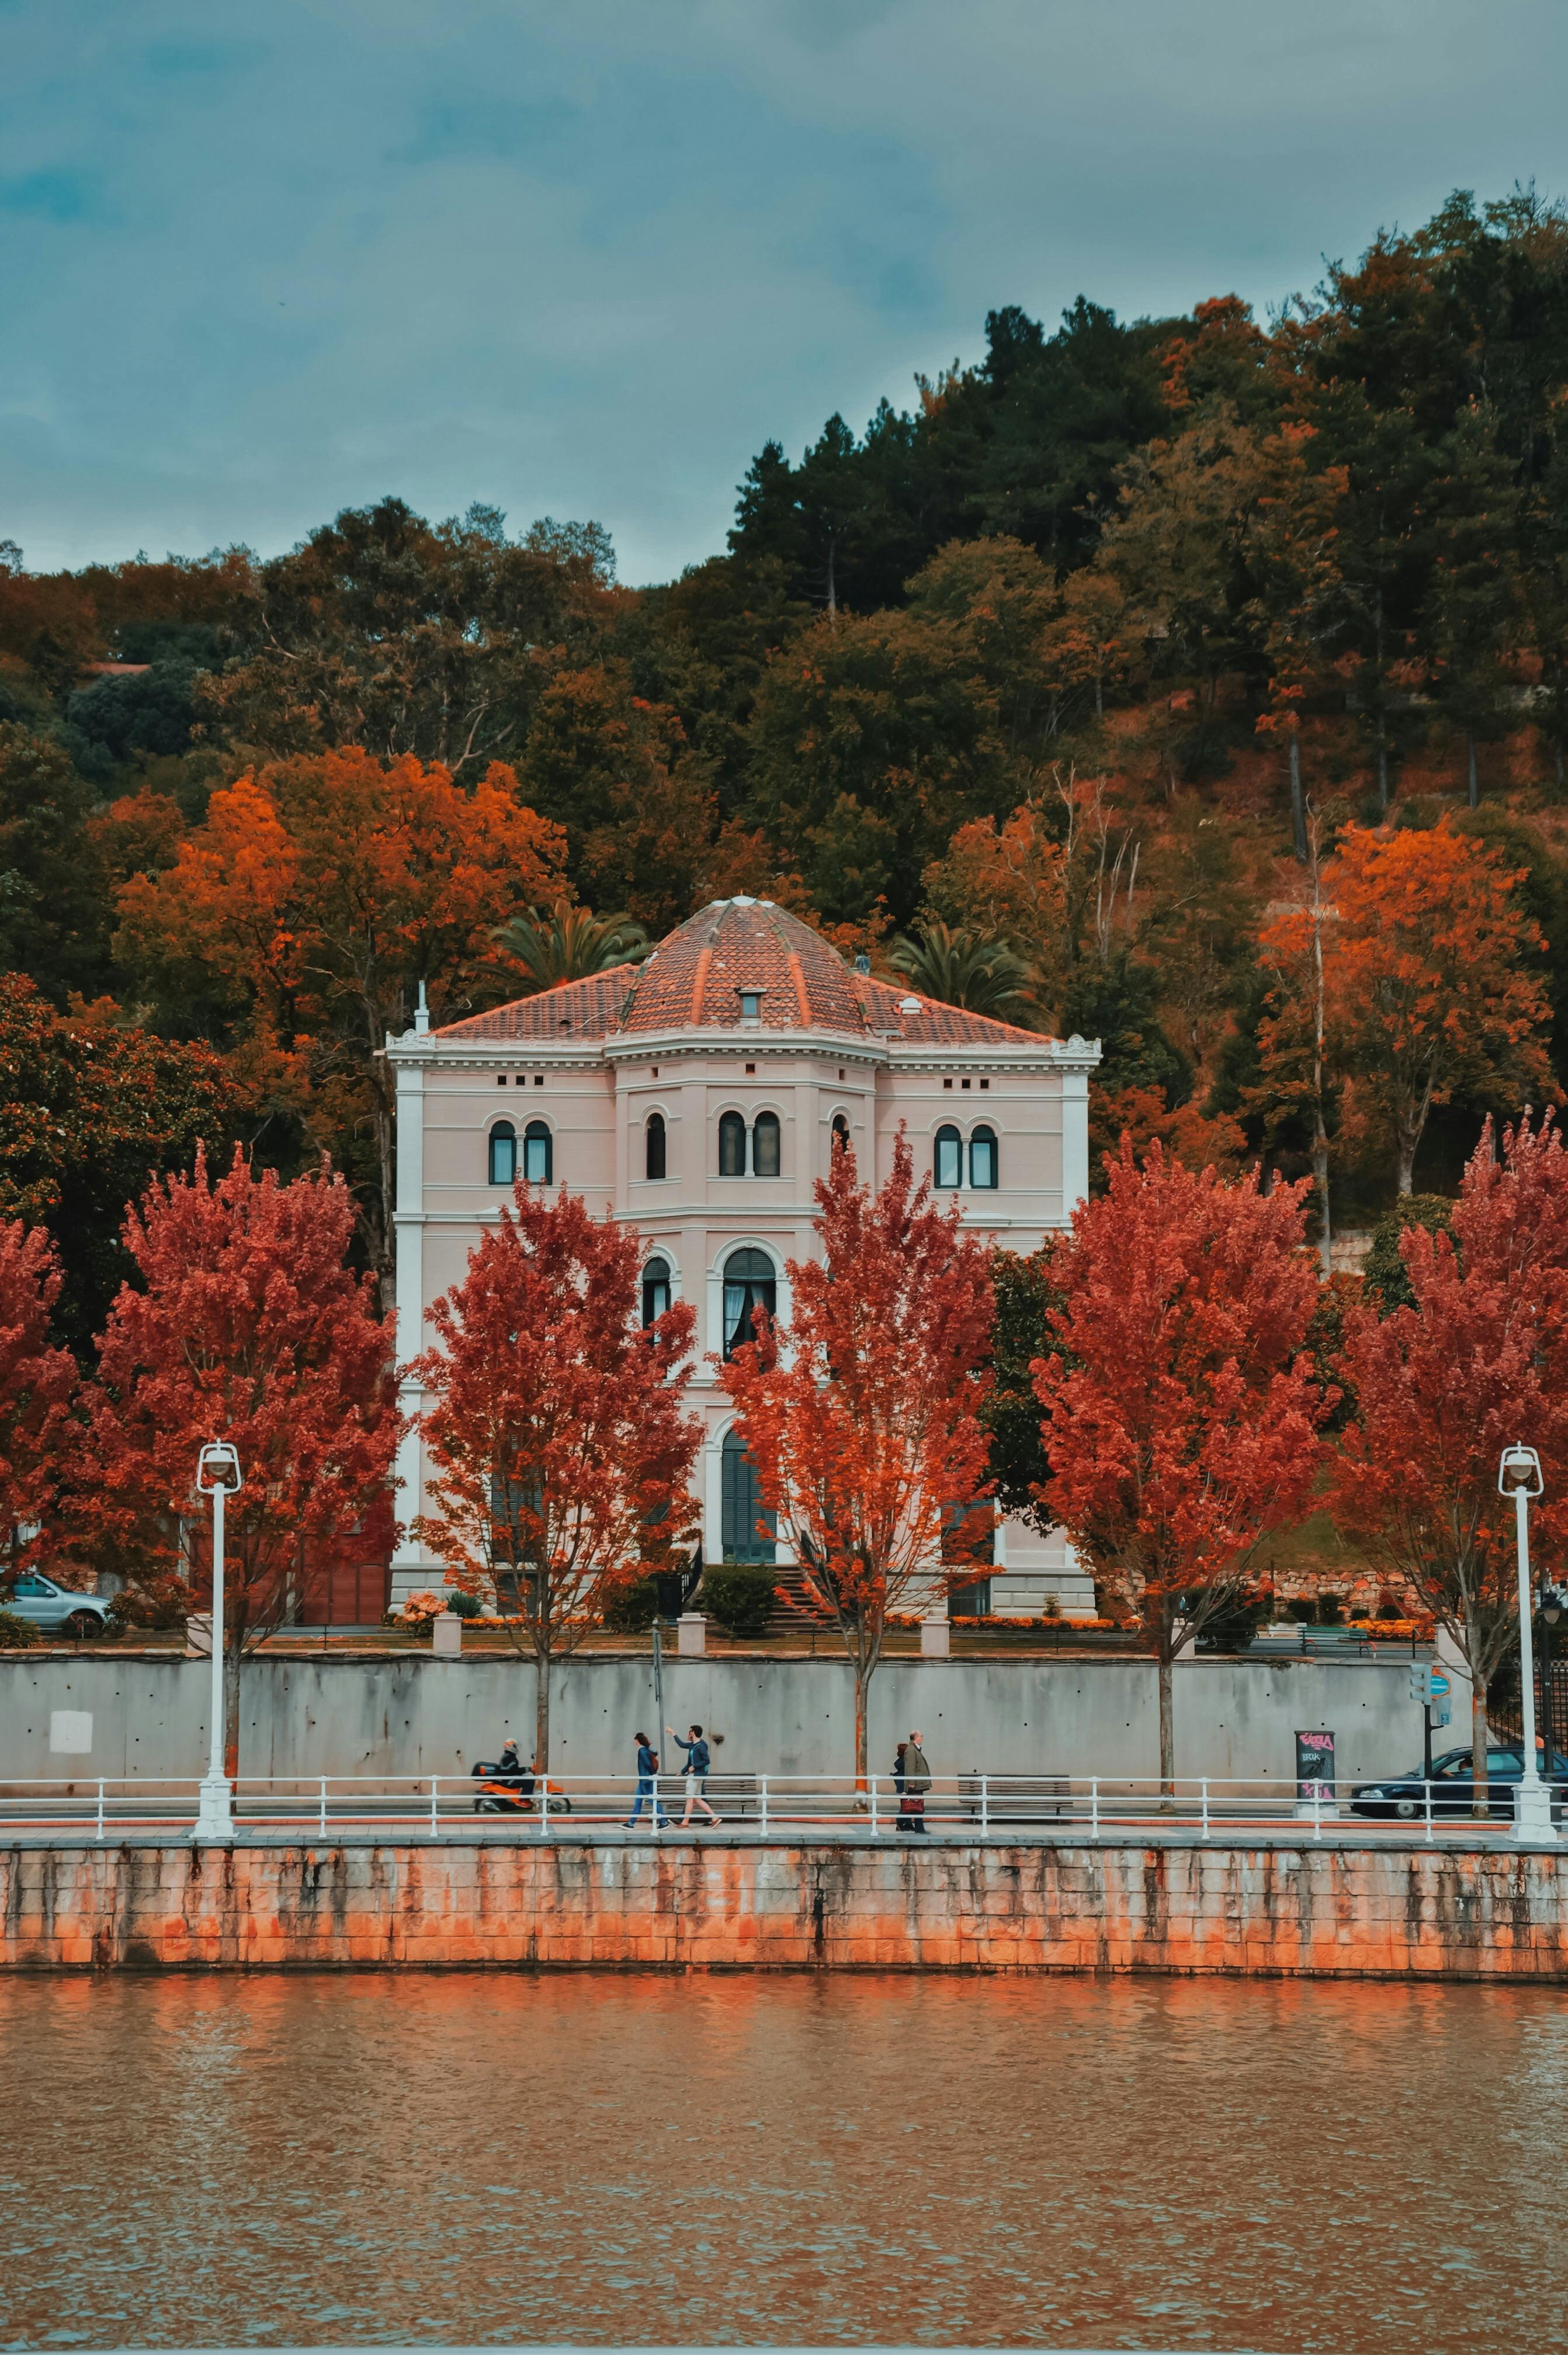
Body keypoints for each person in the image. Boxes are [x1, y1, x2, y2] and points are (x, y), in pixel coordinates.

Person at [667, 1723, 721, 1827]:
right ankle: (715, 1818)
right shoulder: (693, 1745)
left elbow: (707, 1760)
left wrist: (695, 1767)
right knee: (697, 1799)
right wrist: (683, 1772)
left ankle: (685, 1823)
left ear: (694, 1733)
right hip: (696, 1775)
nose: (689, 1733)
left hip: (696, 1775)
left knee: (690, 1799)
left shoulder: (701, 1746)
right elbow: (682, 1745)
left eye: (690, 1731)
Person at [625, 1730, 671, 1829]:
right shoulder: (646, 1749)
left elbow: (647, 1764)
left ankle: (664, 1822)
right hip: (643, 1780)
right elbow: (656, 1753)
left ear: (638, 1740)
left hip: (646, 1780)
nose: (635, 1742)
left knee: (652, 1801)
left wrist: (653, 1775)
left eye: (635, 1740)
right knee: (638, 1801)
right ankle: (631, 1823)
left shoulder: (642, 1751)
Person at [902, 1730, 932, 1833]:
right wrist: (912, 1782)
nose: (922, 1738)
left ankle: (908, 1824)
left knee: (916, 1806)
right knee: (917, 1806)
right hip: (916, 1784)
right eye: (921, 1736)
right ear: (916, 1738)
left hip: (917, 1783)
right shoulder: (912, 1750)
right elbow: (911, 1767)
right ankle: (918, 1828)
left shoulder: (914, 1749)